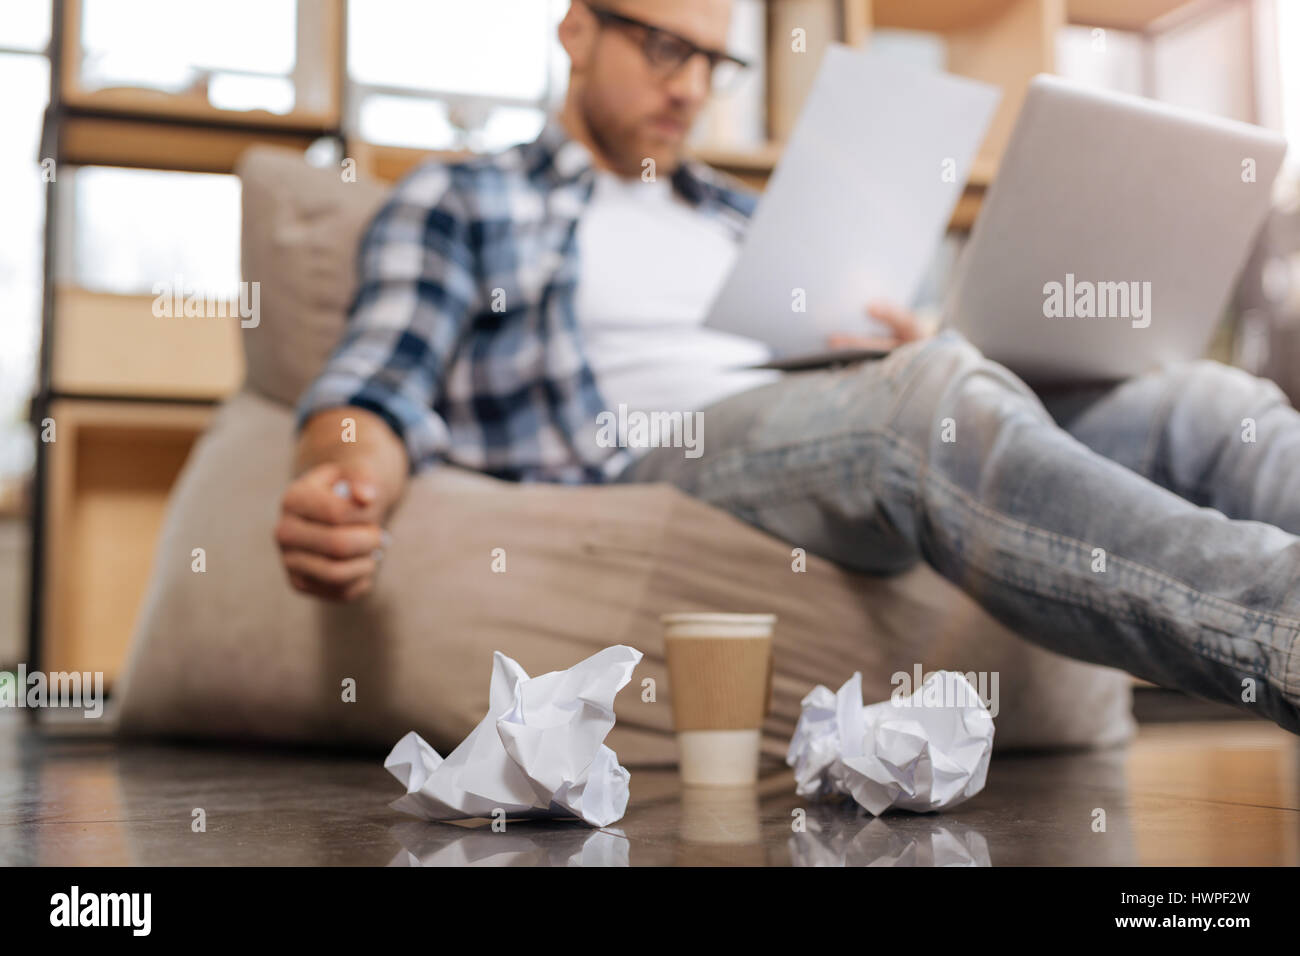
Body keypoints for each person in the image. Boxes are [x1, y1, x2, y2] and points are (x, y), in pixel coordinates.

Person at [277, 0, 1300, 734]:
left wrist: (895, 347)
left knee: (1204, 403)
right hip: (667, 449)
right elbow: (376, 382)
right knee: (923, 403)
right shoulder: (467, 199)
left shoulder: (738, 210)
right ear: (575, 29)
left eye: (712, 63)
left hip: (842, 413)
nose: (689, 86)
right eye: (663, 46)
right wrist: (342, 477)